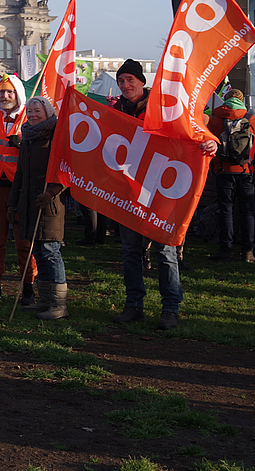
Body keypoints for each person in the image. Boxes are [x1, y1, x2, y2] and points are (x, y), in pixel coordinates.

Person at [109, 59, 214, 330]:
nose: (125, 85)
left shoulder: (164, 106)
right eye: (121, 81)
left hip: (160, 191)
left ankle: (170, 308)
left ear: (142, 82)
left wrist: (210, 140)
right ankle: (134, 305)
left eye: (130, 80)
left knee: (165, 251)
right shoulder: (114, 109)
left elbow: (194, 126)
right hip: (127, 193)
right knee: (130, 251)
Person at [8, 96, 69, 319]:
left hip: (49, 205)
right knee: (38, 252)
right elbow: (20, 175)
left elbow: (65, 170)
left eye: (38, 111)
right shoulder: (28, 138)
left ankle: (59, 304)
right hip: (29, 203)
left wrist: (51, 192)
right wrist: (12, 203)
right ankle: (44, 299)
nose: (33, 114)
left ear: (48, 113)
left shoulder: (56, 136)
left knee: (50, 252)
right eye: (30, 111)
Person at [0, 75, 35, 304]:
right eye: (1, 92)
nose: (5, 96)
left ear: (18, 94)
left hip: (20, 187)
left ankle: (29, 287)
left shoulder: (30, 117)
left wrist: (23, 144)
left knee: (24, 240)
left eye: (9, 92)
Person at [206, 96, 254, 262]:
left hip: (222, 170)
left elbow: (209, 141)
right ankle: (248, 251)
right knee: (247, 211)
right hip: (245, 170)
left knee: (226, 209)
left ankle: (225, 249)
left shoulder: (215, 118)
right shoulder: (250, 117)